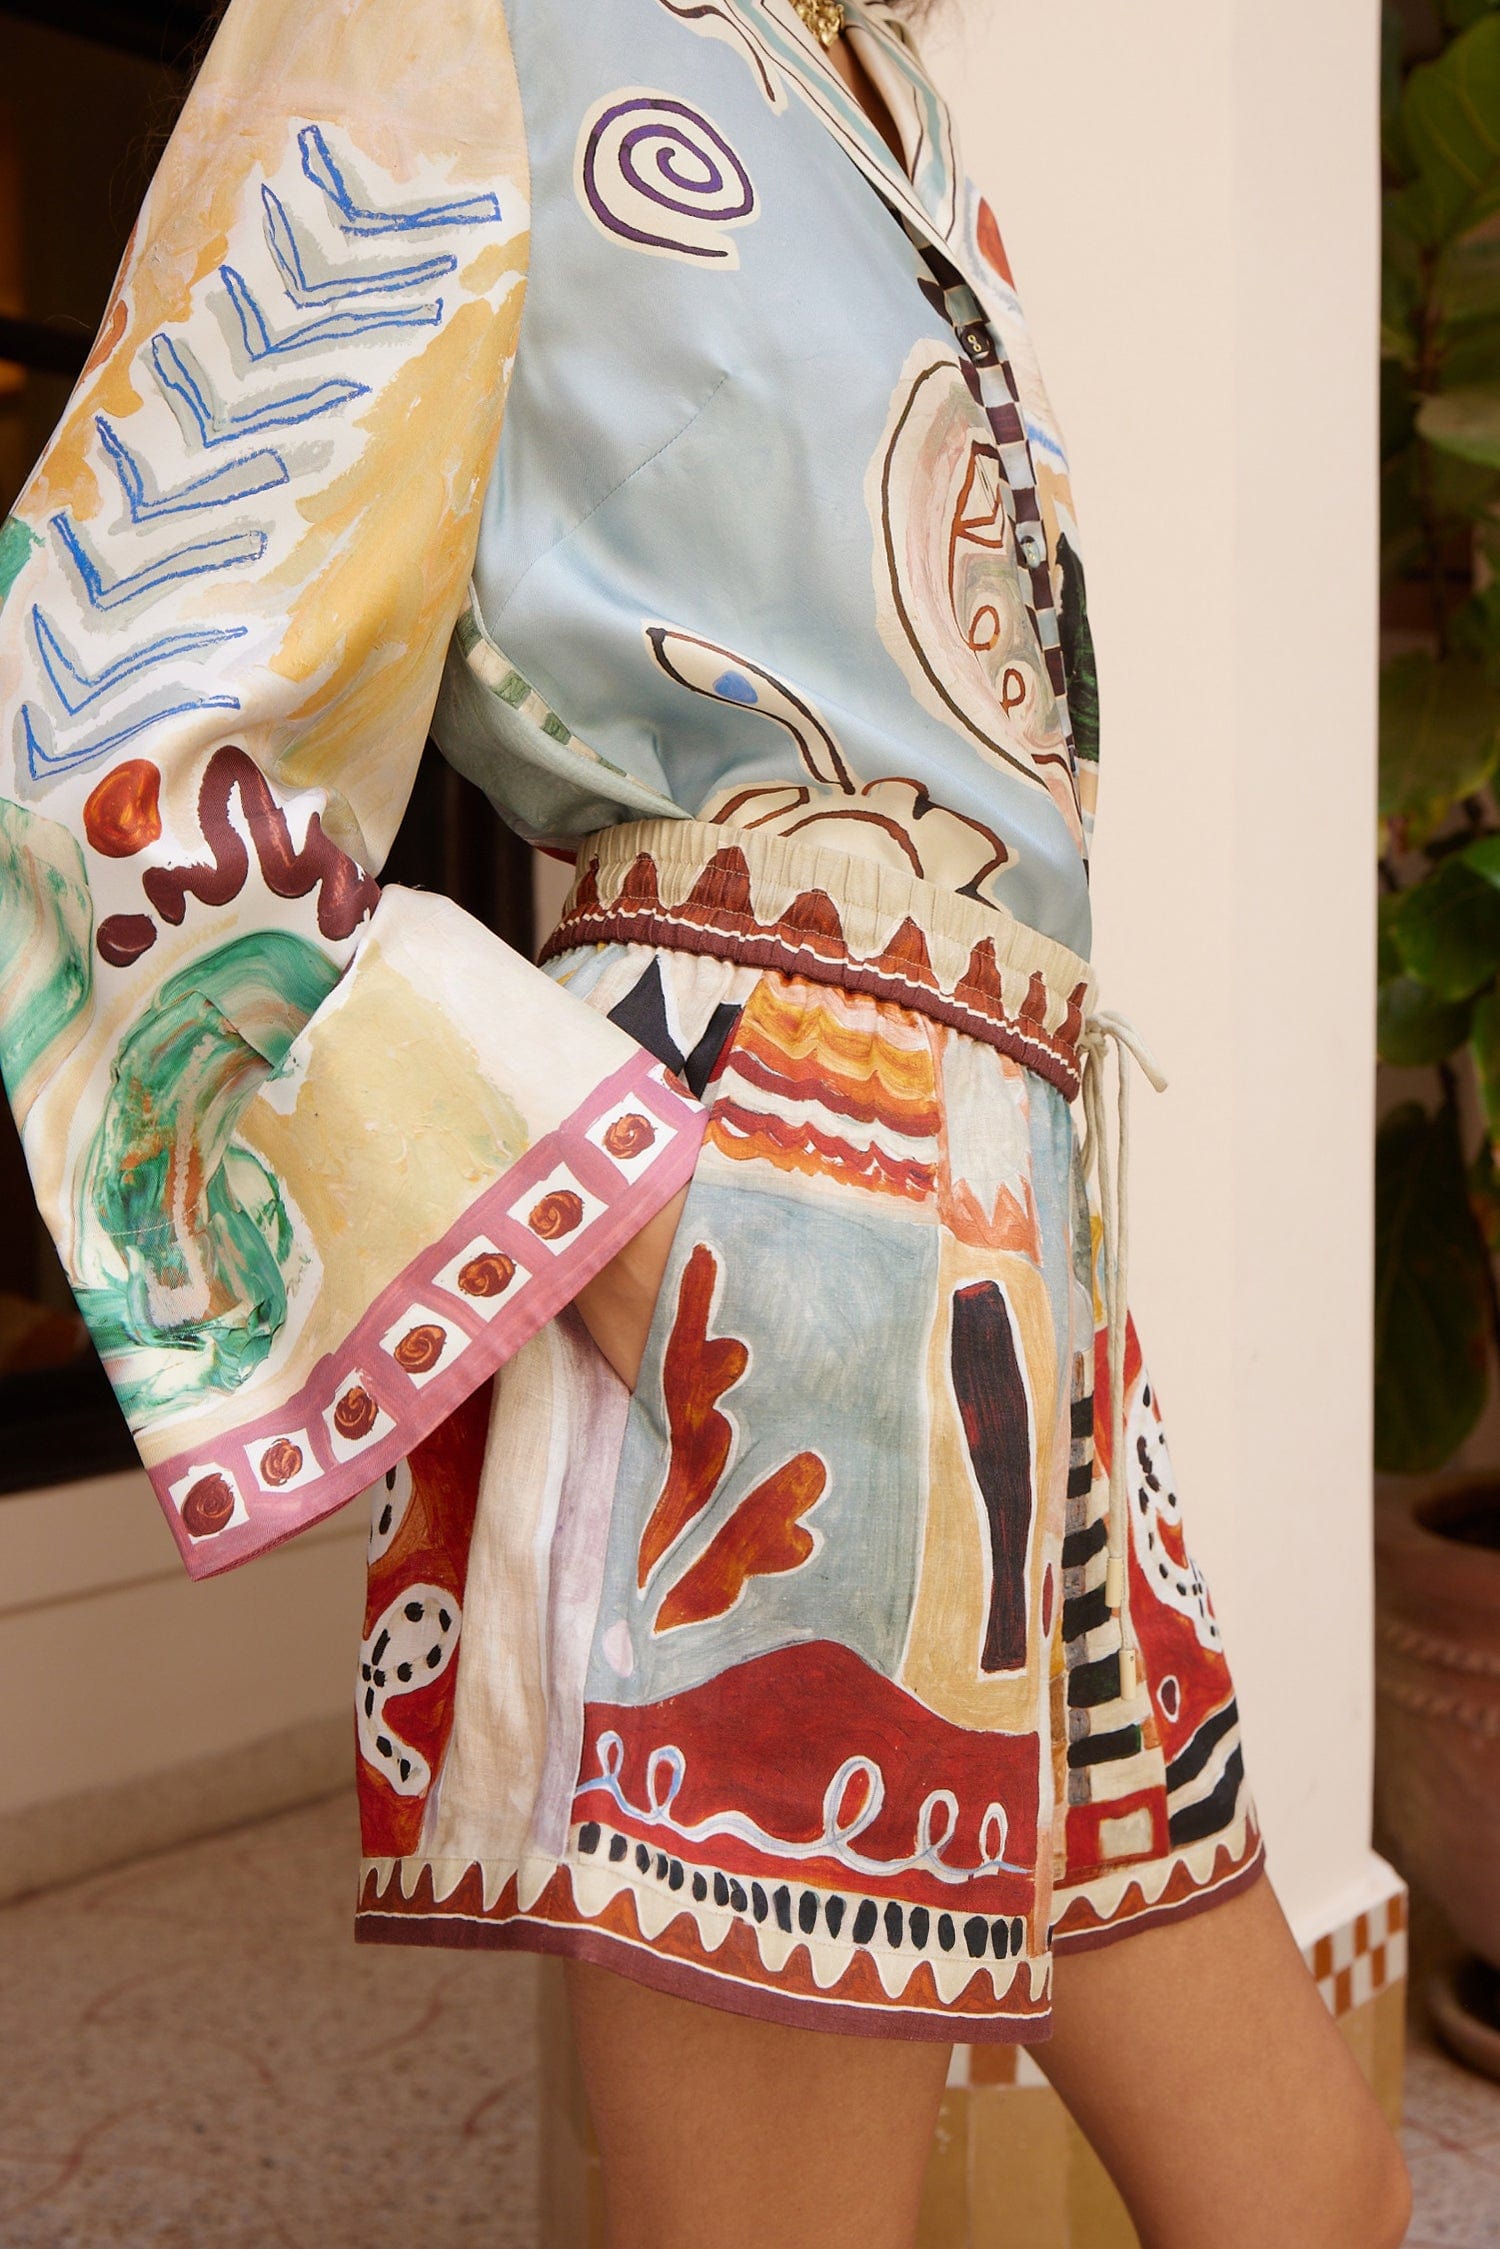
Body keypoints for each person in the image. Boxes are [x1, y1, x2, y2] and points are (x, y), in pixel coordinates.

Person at [0, 0, 1411, 2241]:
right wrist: (591, 1201)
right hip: (773, 1287)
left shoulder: (888, 100)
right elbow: (106, 709)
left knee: (1312, 2188)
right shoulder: (460, 14)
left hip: (1031, 1268)